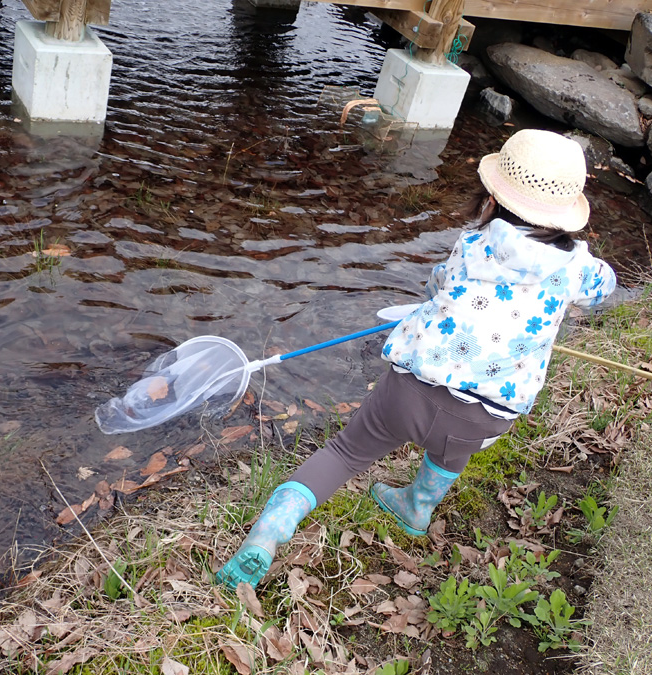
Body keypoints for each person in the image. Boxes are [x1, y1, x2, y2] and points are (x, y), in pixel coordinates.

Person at [216, 129, 617, 590]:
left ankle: (275, 525)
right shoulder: (578, 269)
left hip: (409, 391)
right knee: (451, 449)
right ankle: (416, 508)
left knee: (345, 453)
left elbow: (436, 288)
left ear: (492, 197)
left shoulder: (473, 245)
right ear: (567, 214)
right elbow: (604, 289)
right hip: (483, 417)